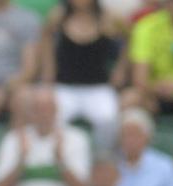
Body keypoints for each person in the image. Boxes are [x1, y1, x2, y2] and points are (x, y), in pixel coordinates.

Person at [41, 0, 123, 150]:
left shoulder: (108, 17)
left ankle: (103, 159)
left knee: (109, 118)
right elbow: (45, 37)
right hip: (65, 87)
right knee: (50, 118)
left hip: (98, 88)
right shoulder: (58, 15)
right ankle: (57, 158)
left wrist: (120, 68)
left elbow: (130, 39)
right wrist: (48, 69)